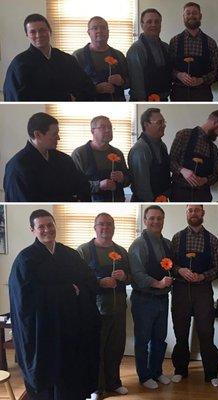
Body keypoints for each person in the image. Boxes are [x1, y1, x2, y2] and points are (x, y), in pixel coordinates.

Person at [9, 209, 100, 400]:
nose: (47, 230)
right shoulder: (25, 260)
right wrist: (67, 290)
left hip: (71, 328)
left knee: (71, 378)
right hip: (44, 331)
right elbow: (25, 297)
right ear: (32, 229)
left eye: (50, 225)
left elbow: (89, 281)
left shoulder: (70, 254)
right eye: (41, 226)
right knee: (48, 379)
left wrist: (79, 290)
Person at [77, 213, 131, 399]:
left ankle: (114, 383)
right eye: (101, 224)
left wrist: (124, 277)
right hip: (95, 311)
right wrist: (99, 282)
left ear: (114, 227)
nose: (105, 228)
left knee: (116, 348)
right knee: (96, 350)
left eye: (109, 224)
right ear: (95, 227)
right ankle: (95, 387)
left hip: (118, 309)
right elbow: (78, 281)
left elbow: (132, 278)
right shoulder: (83, 251)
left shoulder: (122, 251)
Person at [170, 205, 218, 387]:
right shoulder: (177, 238)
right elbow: (169, 265)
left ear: (203, 213)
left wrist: (202, 276)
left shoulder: (212, 240)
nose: (194, 213)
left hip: (203, 292)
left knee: (206, 333)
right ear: (186, 213)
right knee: (181, 333)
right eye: (190, 210)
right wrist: (179, 270)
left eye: (197, 210)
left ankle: (211, 374)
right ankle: (180, 370)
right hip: (181, 291)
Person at [128, 206, 173, 390]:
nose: (156, 222)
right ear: (145, 220)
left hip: (163, 299)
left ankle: (157, 372)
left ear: (163, 220)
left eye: (159, 218)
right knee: (143, 340)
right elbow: (137, 274)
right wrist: (159, 284)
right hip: (144, 300)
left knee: (159, 339)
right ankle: (144, 376)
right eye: (152, 218)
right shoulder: (138, 244)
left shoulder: (168, 244)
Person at [3, 14, 95, 101]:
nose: (38, 35)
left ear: (50, 31)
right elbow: (13, 97)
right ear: (27, 35)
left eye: (42, 30)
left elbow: (86, 87)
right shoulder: (19, 64)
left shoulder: (67, 59)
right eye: (33, 32)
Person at [3, 112, 90, 202]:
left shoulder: (64, 159)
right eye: (54, 134)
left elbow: (82, 186)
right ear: (38, 135)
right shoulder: (17, 167)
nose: (58, 138)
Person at [170, 109, 218, 201]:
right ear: (215, 123)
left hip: (202, 195)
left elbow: (216, 174)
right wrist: (182, 170)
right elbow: (170, 161)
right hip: (179, 193)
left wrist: (205, 180)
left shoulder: (213, 148)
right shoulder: (184, 135)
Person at [169, 2, 218, 101]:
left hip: (203, 94)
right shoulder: (174, 41)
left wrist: (201, 80)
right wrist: (178, 75)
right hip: (178, 94)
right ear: (183, 17)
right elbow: (168, 68)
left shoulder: (210, 42)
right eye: (188, 13)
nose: (191, 16)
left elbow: (217, 70)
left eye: (194, 13)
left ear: (200, 16)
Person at [71, 115, 130, 202]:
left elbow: (128, 179)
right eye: (103, 127)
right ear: (92, 131)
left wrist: (122, 178)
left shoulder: (117, 153)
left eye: (110, 127)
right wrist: (98, 185)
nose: (108, 130)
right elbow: (74, 185)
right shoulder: (80, 154)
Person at [73, 16, 129, 101]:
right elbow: (73, 87)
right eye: (95, 28)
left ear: (108, 32)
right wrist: (95, 89)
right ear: (89, 32)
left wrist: (122, 81)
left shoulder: (119, 55)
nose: (99, 31)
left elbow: (130, 81)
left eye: (103, 28)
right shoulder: (78, 56)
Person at [126, 8, 171, 101]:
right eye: (149, 22)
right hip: (144, 100)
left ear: (160, 24)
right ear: (142, 25)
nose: (153, 25)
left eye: (157, 21)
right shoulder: (136, 49)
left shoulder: (166, 47)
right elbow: (137, 83)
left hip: (163, 99)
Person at [128, 108, 171, 202]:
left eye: (164, 122)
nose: (164, 125)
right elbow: (142, 188)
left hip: (161, 199)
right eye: (159, 122)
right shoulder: (140, 149)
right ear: (146, 125)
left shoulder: (162, 145)